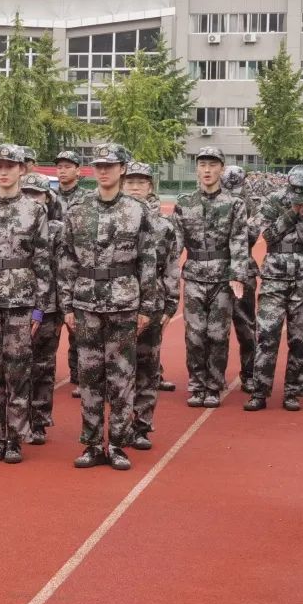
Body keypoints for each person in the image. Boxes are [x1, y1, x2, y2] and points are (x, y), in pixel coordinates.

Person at [59, 143, 157, 471]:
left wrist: (147, 307)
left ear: (122, 169)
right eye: (99, 165)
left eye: (110, 166)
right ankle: (91, 443)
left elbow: (148, 260)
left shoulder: (137, 210)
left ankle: (117, 443)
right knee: (89, 375)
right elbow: (67, 260)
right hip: (85, 302)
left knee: (121, 375)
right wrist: (67, 304)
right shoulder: (78, 210)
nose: (103, 171)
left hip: (123, 303)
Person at [0, 145, 53, 464]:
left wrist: (40, 307)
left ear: (21, 170)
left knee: (18, 370)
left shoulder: (35, 211)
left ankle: (15, 437)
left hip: (21, 302)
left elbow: (43, 262)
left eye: (10, 166)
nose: (3, 171)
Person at [246, 166, 303, 412]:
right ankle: (259, 392)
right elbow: (269, 236)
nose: (299, 197)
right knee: (267, 335)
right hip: (274, 278)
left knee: (300, 338)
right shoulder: (273, 200)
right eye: (295, 191)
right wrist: (292, 213)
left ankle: (292, 392)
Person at [171, 147, 249, 409]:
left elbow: (239, 242)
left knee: (217, 335)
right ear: (197, 169)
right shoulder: (184, 203)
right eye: (203, 165)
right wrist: (167, 273)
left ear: (221, 169)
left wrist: (237, 275)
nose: (207, 170)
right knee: (194, 335)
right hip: (194, 276)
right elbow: (175, 244)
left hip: (222, 279)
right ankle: (196, 384)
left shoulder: (234, 204)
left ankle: (214, 385)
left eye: (213, 165)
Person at [122, 162, 181, 450]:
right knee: (119, 368)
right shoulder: (113, 220)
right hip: (118, 302)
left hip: (152, 303)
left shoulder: (164, 226)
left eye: (141, 183)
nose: (135, 188)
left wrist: (171, 304)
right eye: (130, 182)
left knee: (147, 365)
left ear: (150, 187)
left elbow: (171, 266)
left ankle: (142, 426)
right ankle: (119, 426)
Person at [20, 172, 64, 444]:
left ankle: (38, 420)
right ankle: (16, 418)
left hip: (48, 308)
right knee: (14, 365)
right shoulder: (14, 225)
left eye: (36, 194)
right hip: (18, 304)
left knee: (42, 367)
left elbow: (64, 271)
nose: (31, 199)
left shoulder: (58, 230)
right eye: (26, 193)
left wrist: (62, 310)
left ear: (47, 198)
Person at [220, 165, 258, 396]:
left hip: (244, 271)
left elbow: (250, 237)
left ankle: (250, 374)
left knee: (246, 327)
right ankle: (215, 376)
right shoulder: (217, 203)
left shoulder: (250, 205)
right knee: (216, 329)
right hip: (218, 271)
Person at [54, 150, 88, 392]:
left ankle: (79, 374)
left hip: (76, 268)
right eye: (60, 166)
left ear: (78, 170)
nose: (63, 170)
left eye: (68, 166)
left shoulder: (87, 199)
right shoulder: (49, 198)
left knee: (79, 325)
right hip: (51, 267)